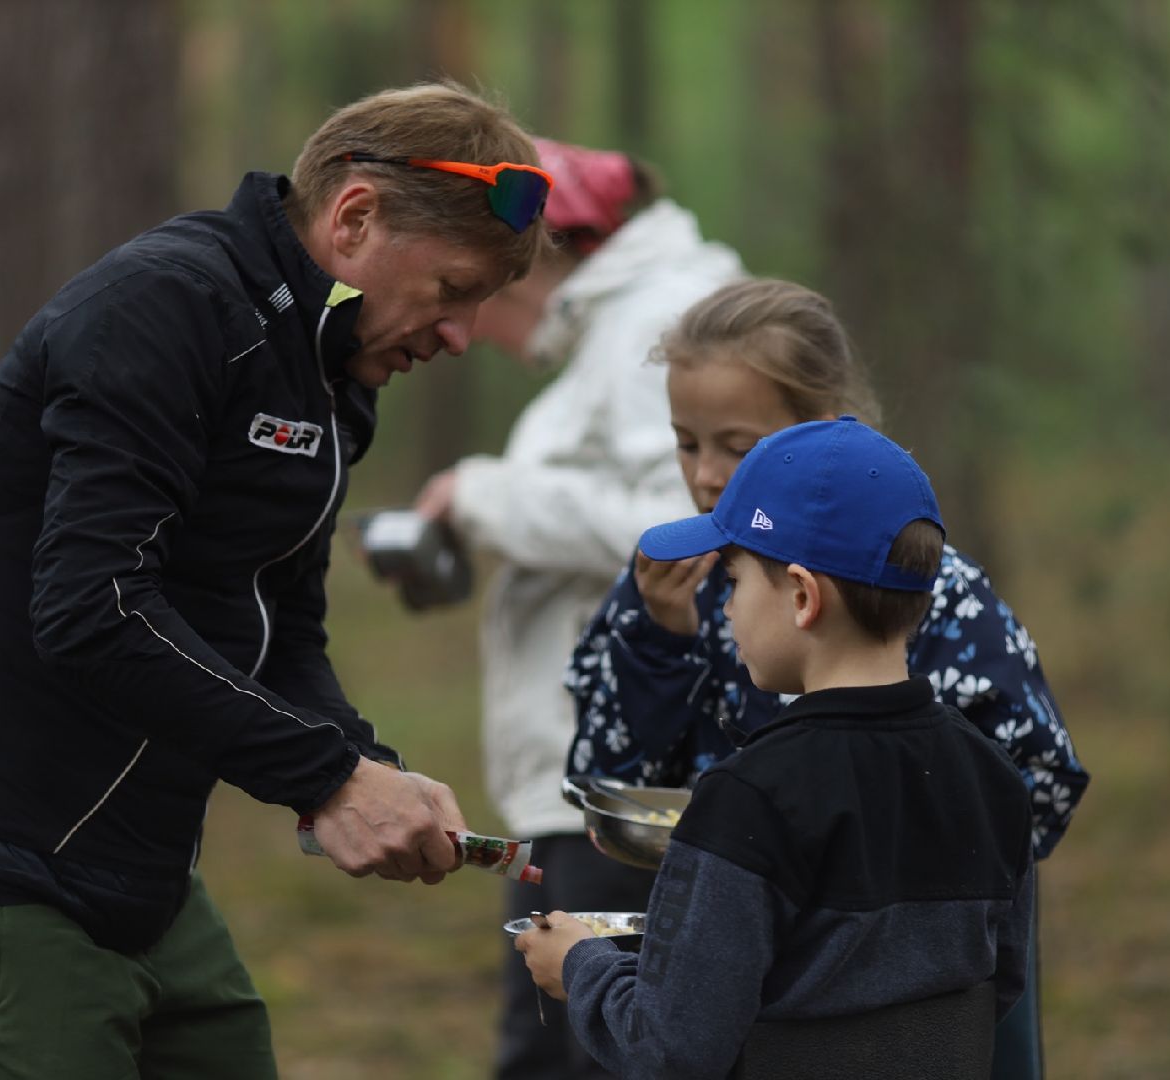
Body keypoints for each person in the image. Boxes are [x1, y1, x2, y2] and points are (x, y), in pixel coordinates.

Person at [0, 82, 553, 1078]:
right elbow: (92, 609)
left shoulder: (325, 370)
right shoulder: (165, 307)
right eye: (452, 291)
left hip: (149, 879)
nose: (461, 336)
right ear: (355, 217)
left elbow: (276, 630)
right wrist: (325, 778)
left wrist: (366, 767)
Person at [563, 279, 1089, 1079]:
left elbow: (1030, 785)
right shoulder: (669, 575)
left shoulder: (935, 592)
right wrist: (658, 647)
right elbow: (604, 780)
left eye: (738, 447)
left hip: (906, 966)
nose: (707, 475)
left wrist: (862, 855)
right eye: (685, 441)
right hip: (728, 932)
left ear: (820, 430)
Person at [518, 416, 1036, 1079]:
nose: (725, 609)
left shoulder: (748, 801)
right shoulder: (994, 779)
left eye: (732, 582)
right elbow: (998, 988)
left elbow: (672, 1049)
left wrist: (580, 967)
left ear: (800, 596)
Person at [408, 139, 742, 1079]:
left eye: (483, 280)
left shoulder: (661, 324)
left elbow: (688, 527)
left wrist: (487, 497)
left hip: (623, 784)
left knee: (569, 1048)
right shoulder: (626, 327)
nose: (467, 316)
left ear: (554, 254)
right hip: (595, 779)